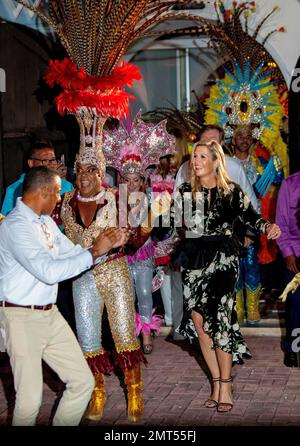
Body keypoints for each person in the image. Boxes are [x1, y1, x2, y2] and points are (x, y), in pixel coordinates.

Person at [0, 166, 129, 426]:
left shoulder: (44, 222)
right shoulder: (16, 226)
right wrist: (94, 252)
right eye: (58, 192)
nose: (60, 198)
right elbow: (49, 272)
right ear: (44, 191)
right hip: (20, 316)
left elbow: (71, 254)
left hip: (50, 314)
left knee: (82, 382)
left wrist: (101, 247)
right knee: (29, 399)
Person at [171, 140, 281, 412]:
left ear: (215, 161)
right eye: (194, 156)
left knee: (219, 319)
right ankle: (217, 382)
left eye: (201, 156)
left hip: (223, 260)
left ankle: (227, 384)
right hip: (196, 260)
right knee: (198, 322)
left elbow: (252, 217)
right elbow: (170, 223)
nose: (195, 161)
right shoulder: (185, 192)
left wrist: (268, 227)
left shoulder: (231, 192)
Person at [1, 140, 73, 216]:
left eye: (53, 159)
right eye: (45, 160)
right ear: (31, 163)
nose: (50, 164)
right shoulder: (14, 189)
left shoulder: (67, 186)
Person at [276, 172, 300, 367]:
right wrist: (288, 252)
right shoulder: (290, 184)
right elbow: (281, 223)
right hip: (296, 256)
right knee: (296, 304)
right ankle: (293, 349)